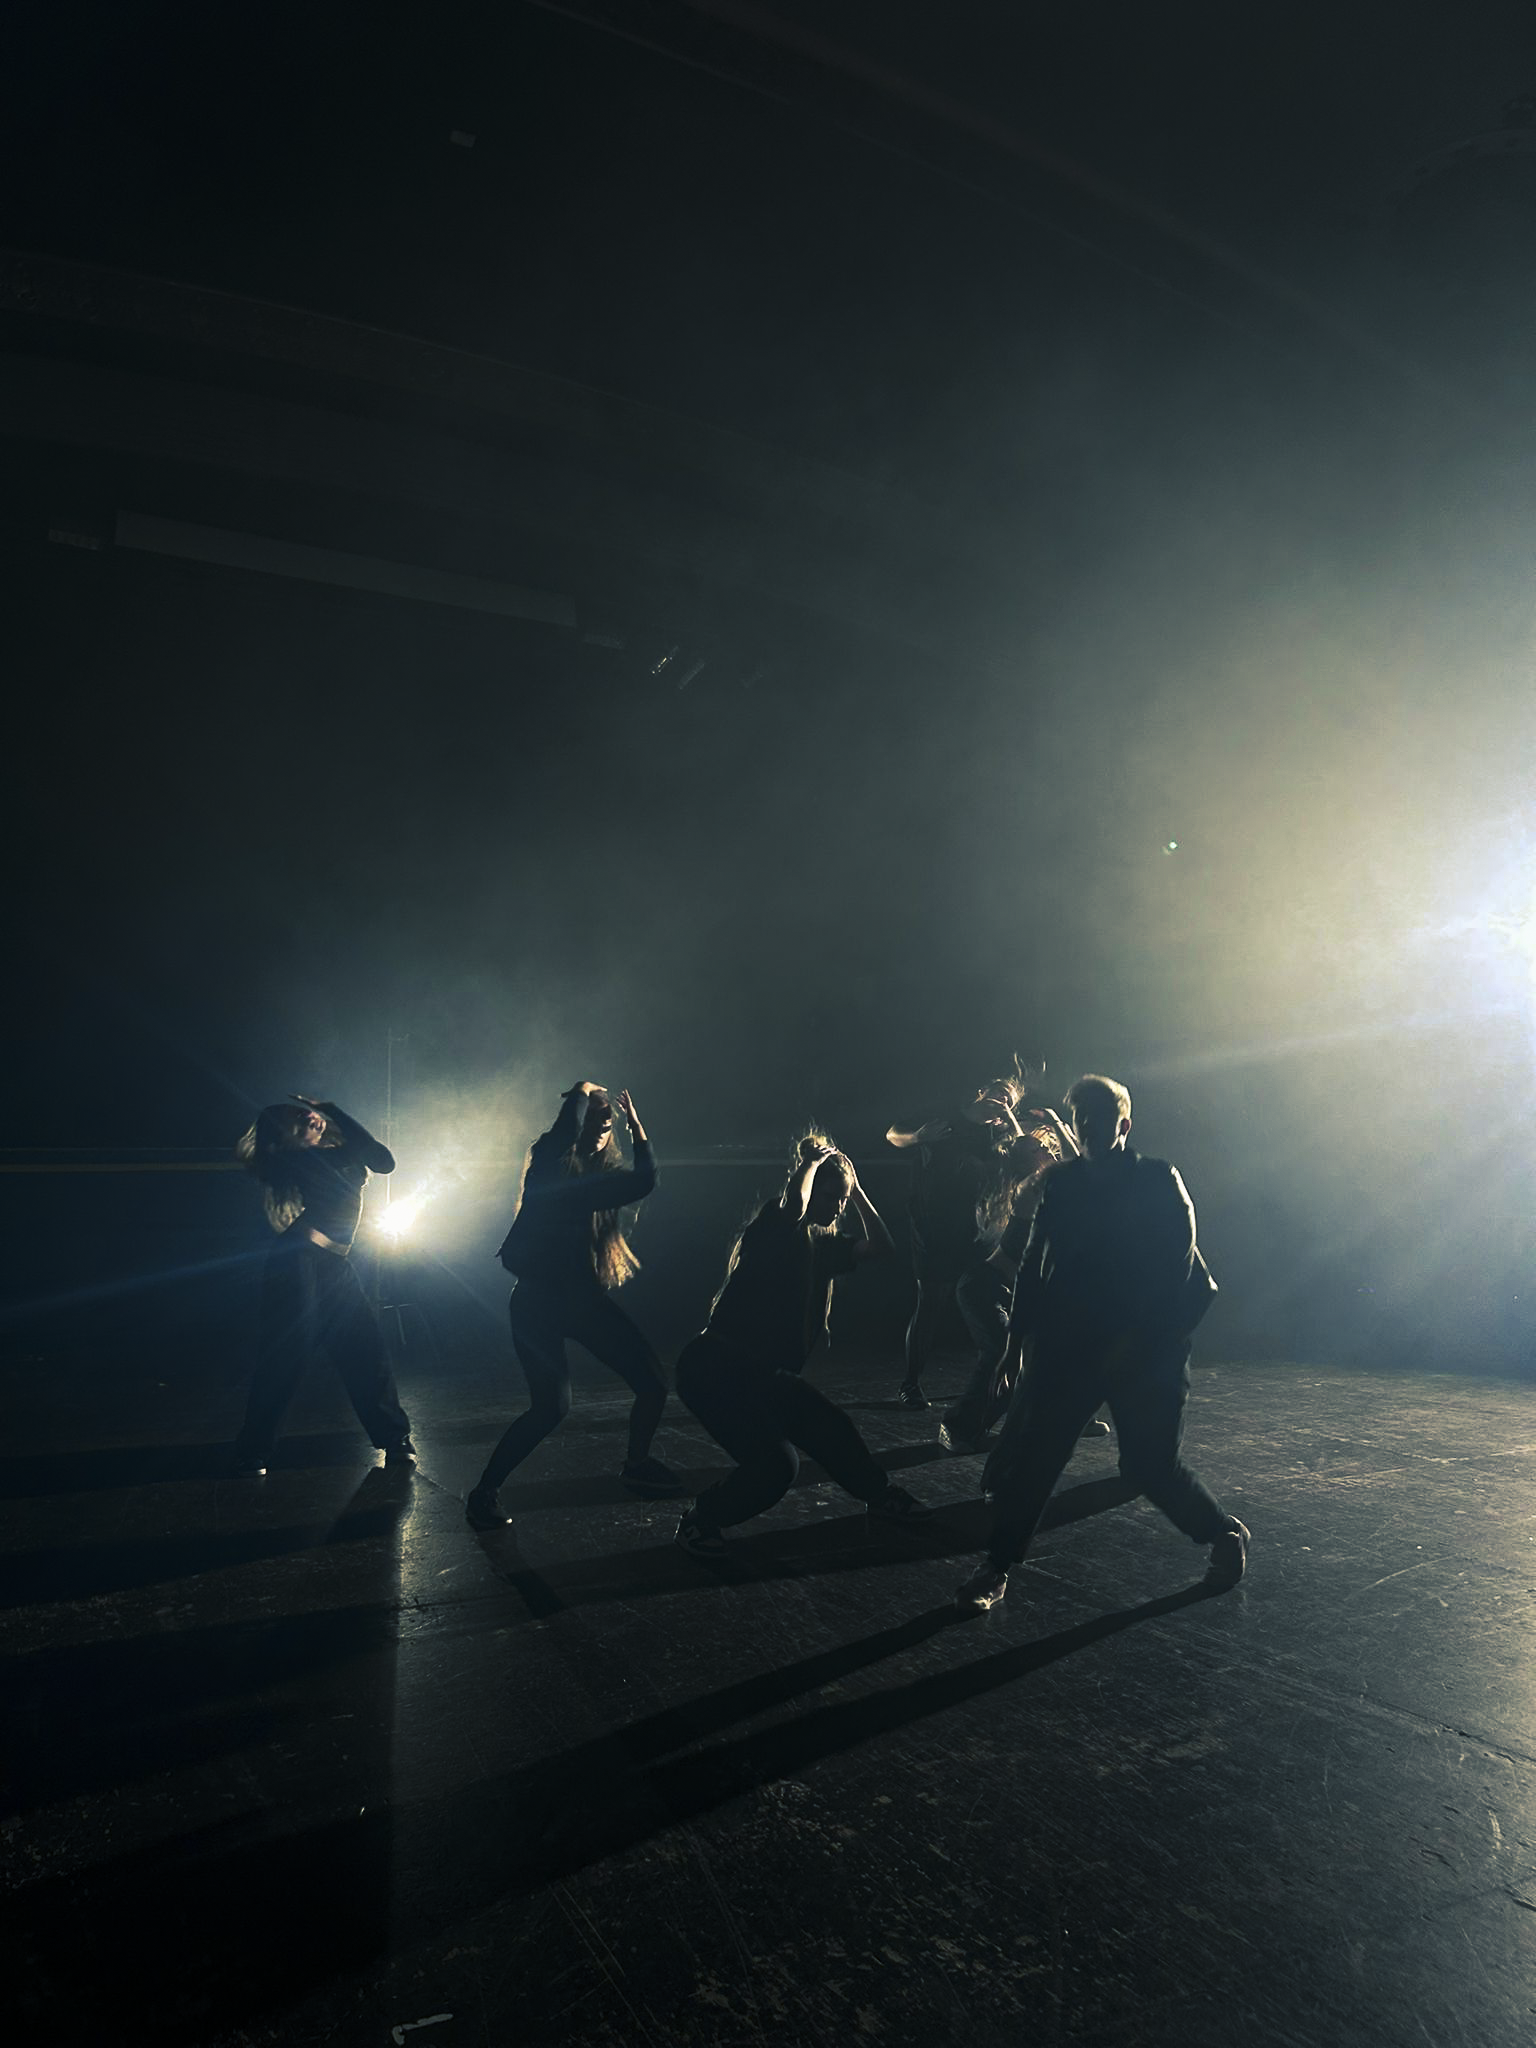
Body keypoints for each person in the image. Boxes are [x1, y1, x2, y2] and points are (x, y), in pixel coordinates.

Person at [955, 1074, 1247, 1612]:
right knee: (1036, 1459)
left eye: (1098, 1117)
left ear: (1124, 1125)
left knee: (1151, 1469)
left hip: (1148, 1352)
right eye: (1080, 1118)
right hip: (1075, 1347)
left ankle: (1220, 1533)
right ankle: (995, 1569)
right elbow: (1034, 1268)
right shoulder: (1062, 1185)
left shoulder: (1160, 1180)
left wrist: (1134, 1346)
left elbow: (1175, 1269)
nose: (1087, 1128)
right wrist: (1014, 1344)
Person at [673, 1135, 928, 1557]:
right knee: (776, 1467)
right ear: (809, 1189)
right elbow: (795, 1205)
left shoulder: (823, 1246)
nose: (837, 1208)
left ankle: (881, 1497)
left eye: (842, 1200)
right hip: (712, 1371)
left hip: (762, 1376)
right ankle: (700, 1520)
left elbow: (883, 1248)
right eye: (832, 1197)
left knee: (833, 1427)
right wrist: (809, 1164)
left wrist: (858, 1190)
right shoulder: (775, 1226)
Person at [466, 1081, 679, 1530]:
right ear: (578, 1122)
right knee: (550, 1408)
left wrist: (638, 1127)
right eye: (596, 1114)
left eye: (610, 1117)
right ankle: (485, 1492)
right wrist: (579, 1093)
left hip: (581, 1302)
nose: (606, 1121)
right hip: (537, 1304)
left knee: (653, 1384)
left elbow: (644, 1180)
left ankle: (637, 1464)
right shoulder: (548, 1166)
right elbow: (562, 1136)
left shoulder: (596, 1185)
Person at [233, 1095, 415, 1475]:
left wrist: (333, 1108)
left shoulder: (336, 1149)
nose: (309, 1120)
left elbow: (385, 1162)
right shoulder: (296, 1159)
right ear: (281, 1141)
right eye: (297, 1122)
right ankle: (254, 1450)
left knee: (366, 1352)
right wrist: (330, 1114)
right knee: (286, 1357)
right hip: (298, 1262)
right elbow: (378, 1160)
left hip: (334, 1265)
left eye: (308, 1115)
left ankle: (395, 1440)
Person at [885, 1059, 1062, 1420]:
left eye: (1010, 1099)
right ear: (983, 1092)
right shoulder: (948, 1117)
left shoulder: (1001, 1135)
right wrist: (919, 1137)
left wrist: (1013, 1122)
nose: (1004, 1101)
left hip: (982, 1230)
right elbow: (893, 1133)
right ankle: (910, 1383)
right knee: (931, 1301)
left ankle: (1004, 1379)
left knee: (991, 1301)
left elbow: (1027, 1154)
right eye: (1000, 1094)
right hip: (934, 1225)